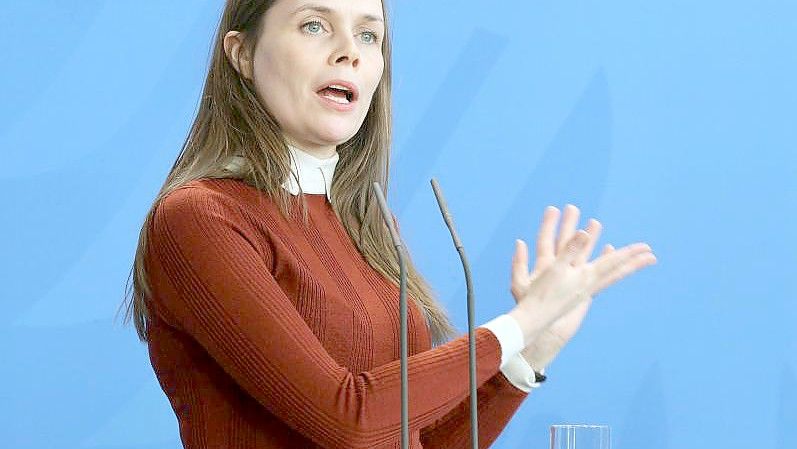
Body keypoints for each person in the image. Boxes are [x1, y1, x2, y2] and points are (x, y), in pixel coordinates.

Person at [119, 0, 657, 448]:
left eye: (369, 36)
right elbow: (348, 418)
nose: (349, 52)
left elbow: (411, 439)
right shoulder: (199, 219)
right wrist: (519, 322)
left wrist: (530, 352)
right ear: (241, 54)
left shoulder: (365, 223)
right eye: (314, 25)